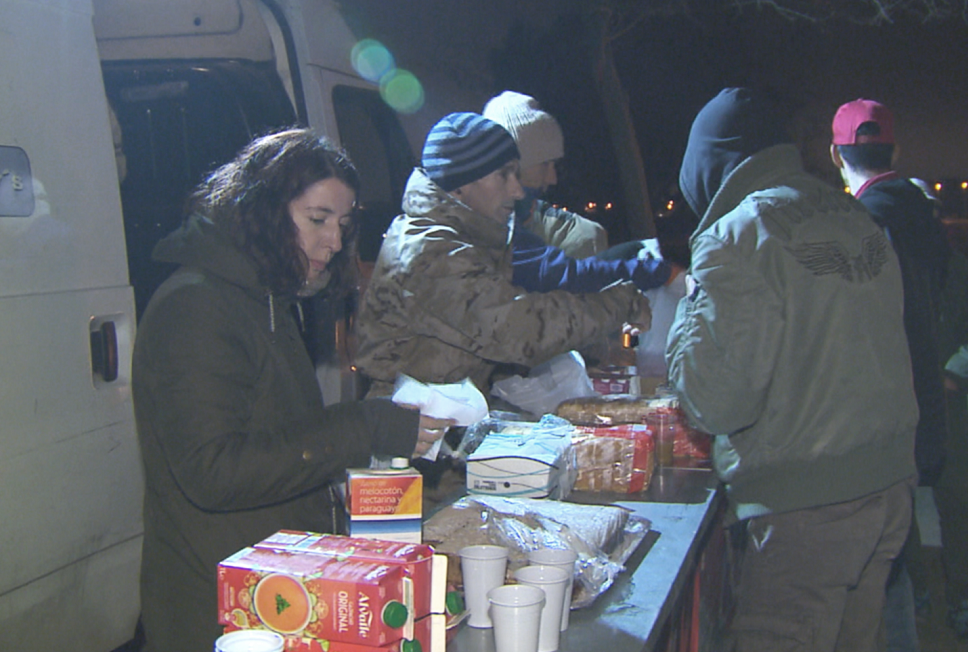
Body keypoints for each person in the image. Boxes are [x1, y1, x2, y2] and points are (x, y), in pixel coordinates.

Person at [131, 129, 451, 652]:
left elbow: (280, 438)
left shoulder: (267, 298)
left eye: (343, 225)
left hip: (275, 595)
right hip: (219, 613)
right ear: (260, 209)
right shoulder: (196, 307)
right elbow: (213, 472)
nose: (334, 241)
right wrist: (364, 426)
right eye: (317, 219)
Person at [667, 88, 919, 651]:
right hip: (888, 489)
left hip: (809, 511)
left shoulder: (736, 235)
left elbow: (714, 401)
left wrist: (688, 306)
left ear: (708, 165)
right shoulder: (850, 212)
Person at [354, 112, 651, 398]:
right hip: (407, 436)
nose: (517, 191)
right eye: (504, 175)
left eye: (516, 174)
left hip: (439, 427)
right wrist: (622, 302)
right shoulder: (429, 251)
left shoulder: (468, 238)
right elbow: (520, 330)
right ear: (460, 185)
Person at [829, 98, 951, 651]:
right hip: (922, 402)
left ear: (836, 154)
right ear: (895, 151)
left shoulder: (858, 223)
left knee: (875, 570)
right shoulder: (925, 214)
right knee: (895, 554)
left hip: (879, 413)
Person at [905, 180, 968, 643]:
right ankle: (916, 591)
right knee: (902, 505)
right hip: (902, 406)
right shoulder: (884, 265)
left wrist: (952, 375)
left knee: (954, 503)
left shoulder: (956, 267)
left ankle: (964, 599)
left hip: (947, 405)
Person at [482, 90, 609, 257]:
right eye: (544, 164)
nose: (553, 179)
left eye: (554, 164)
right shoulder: (453, 235)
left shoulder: (578, 236)